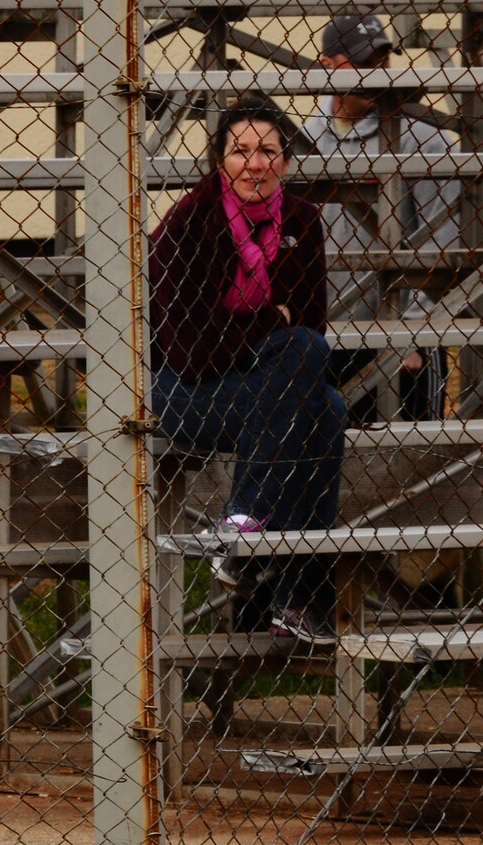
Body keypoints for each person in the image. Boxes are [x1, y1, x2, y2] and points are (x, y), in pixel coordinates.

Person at [149, 94, 347, 646]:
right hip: (185, 393)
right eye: (240, 151)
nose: (255, 164)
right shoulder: (187, 222)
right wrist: (266, 322)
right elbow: (188, 351)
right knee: (312, 397)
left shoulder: (303, 223)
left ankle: (253, 538)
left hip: (264, 387)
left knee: (326, 401)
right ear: (219, 161)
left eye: (268, 151)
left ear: (285, 161)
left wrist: (248, 330)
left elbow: (309, 326)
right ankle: (274, 569)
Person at [303, 12, 458, 425]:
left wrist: (413, 332)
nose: (378, 72)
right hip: (324, 339)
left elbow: (446, 244)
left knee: (410, 467)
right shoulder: (300, 142)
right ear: (327, 65)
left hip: (404, 343)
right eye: (363, 61)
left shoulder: (424, 140)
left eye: (382, 59)